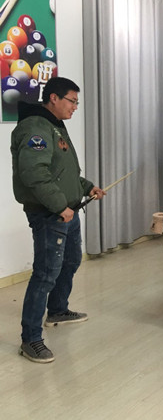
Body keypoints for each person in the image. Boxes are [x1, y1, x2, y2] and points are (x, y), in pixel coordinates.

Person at [11, 77, 106, 363]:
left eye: (77, 102)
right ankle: (31, 339)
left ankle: (58, 310)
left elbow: (63, 173)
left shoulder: (54, 126)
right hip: (50, 213)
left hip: (67, 210)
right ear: (53, 98)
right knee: (45, 273)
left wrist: (87, 187)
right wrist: (58, 205)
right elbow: (34, 174)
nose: (75, 107)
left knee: (71, 260)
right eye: (72, 101)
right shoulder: (35, 127)